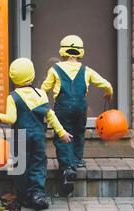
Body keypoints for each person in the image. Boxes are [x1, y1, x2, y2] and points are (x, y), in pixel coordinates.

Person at [0, 58, 72, 210]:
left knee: (19, 166)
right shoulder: (41, 94)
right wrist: (61, 132)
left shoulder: (13, 97)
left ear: (13, 77)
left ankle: (24, 197)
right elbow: (50, 116)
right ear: (32, 75)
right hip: (38, 136)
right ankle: (37, 194)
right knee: (38, 164)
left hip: (19, 137)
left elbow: (12, 118)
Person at [41, 35, 113, 195]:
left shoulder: (54, 69)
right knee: (79, 133)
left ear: (62, 51)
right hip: (81, 107)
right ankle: (77, 161)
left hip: (62, 107)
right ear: (80, 52)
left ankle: (67, 167)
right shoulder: (86, 70)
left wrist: (41, 103)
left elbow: (44, 89)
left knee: (62, 135)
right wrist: (108, 93)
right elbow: (107, 84)